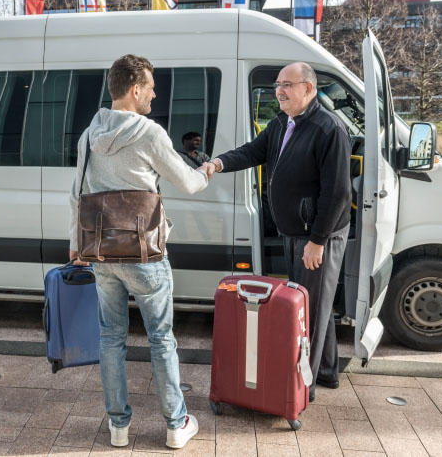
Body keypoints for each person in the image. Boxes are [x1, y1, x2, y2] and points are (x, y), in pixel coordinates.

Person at [69, 54, 209, 449]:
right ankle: (175, 425)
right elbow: (188, 183)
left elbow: (75, 194)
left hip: (101, 253)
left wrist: (76, 245)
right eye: (149, 87)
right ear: (134, 89)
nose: (154, 93)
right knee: (161, 339)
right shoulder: (149, 132)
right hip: (144, 254)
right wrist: (207, 170)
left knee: (111, 338)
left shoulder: (89, 134)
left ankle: (118, 427)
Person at [201, 62, 351, 402]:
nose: (279, 91)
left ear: (309, 89)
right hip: (294, 231)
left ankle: (302, 387)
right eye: (278, 84)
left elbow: (338, 193)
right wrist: (218, 163)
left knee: (306, 311)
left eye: (288, 84)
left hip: (316, 234)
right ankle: (326, 371)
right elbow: (253, 151)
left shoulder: (329, 129)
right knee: (314, 303)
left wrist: (317, 240)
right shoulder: (283, 121)